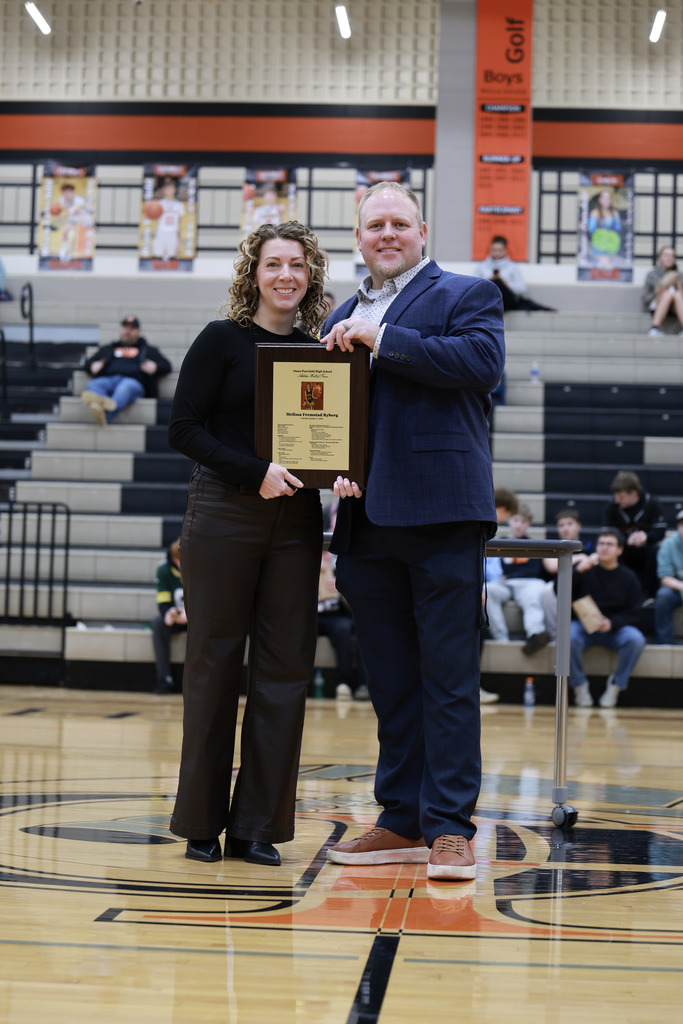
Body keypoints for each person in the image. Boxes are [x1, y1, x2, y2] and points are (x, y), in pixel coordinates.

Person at [321, 180, 505, 881]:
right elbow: (332, 414)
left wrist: (385, 336)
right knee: (391, 680)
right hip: (364, 516)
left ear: (422, 231)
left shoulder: (467, 294)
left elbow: (480, 367)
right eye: (375, 225)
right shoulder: (339, 311)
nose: (387, 234)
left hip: (441, 512)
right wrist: (327, 467)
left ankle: (450, 827)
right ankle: (399, 815)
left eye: (399, 223)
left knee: (448, 680)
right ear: (359, 239)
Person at [167, 220, 328, 866]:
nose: (285, 275)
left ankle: (257, 825)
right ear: (253, 274)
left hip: (295, 524)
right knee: (214, 667)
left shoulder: (323, 354)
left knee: (285, 670)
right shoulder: (220, 341)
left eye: (297, 264)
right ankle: (201, 821)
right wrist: (253, 470)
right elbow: (182, 428)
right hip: (222, 514)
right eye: (273, 264)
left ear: (310, 276)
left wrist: (342, 471)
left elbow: (333, 441)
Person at [569, 528, 646, 708]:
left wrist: (612, 623)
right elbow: (559, 591)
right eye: (601, 544)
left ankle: (616, 686)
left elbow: (635, 612)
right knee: (568, 636)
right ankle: (579, 685)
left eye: (610, 544)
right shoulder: (585, 569)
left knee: (636, 639)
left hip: (614, 629)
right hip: (583, 626)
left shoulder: (629, 578)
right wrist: (577, 571)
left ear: (620, 549)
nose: (604, 548)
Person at [318, 502, 370, 702]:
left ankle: (346, 684)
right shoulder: (309, 552)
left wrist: (339, 590)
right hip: (309, 612)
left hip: (337, 612)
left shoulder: (345, 556)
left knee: (347, 628)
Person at [484, 503, 551, 654]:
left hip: (528, 583)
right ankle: (501, 639)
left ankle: (535, 634)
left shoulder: (534, 544)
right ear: (509, 520)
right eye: (516, 520)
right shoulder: (497, 543)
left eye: (523, 521)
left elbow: (534, 570)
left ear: (529, 524)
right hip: (504, 583)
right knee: (487, 590)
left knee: (534, 593)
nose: (519, 525)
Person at [81, 315, 171, 425]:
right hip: (108, 379)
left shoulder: (148, 350)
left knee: (125, 387)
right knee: (93, 384)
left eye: (132, 328)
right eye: (125, 327)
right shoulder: (109, 348)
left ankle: (105, 414)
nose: (127, 332)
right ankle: (104, 406)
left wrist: (155, 367)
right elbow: (87, 363)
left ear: (138, 332)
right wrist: (92, 366)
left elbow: (167, 365)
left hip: (133, 381)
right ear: (121, 329)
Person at [479, 486, 520, 704]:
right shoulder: (481, 526)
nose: (506, 519)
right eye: (507, 515)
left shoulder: (487, 529)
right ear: (502, 508)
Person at [604, 471, 666, 597]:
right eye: (616, 496)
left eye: (621, 497)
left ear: (634, 494)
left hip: (646, 548)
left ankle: (647, 594)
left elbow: (660, 531)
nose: (617, 500)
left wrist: (646, 537)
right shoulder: (612, 507)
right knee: (612, 549)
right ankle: (617, 592)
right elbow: (607, 533)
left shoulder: (652, 504)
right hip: (623, 547)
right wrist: (626, 539)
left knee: (656, 551)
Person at [541, 507, 593, 639]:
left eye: (569, 524)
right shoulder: (551, 546)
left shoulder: (589, 546)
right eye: (561, 525)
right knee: (547, 591)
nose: (565, 528)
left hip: (582, 588)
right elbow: (552, 567)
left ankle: (595, 631)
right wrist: (579, 558)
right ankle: (555, 636)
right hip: (557, 589)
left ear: (579, 526)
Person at [475, 236, 555, 312]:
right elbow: (473, 288)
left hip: (506, 300)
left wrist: (506, 284)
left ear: (505, 250)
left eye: (499, 250)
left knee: (498, 282)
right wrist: (487, 282)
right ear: (490, 250)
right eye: (494, 250)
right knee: (495, 283)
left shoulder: (512, 267)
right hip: (488, 300)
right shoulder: (482, 267)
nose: (496, 253)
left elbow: (522, 289)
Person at [151, 538, 187, 694]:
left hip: (199, 618)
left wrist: (191, 614)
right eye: (176, 559)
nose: (178, 562)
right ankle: (164, 678)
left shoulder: (202, 569)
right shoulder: (164, 569)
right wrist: (170, 613)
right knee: (158, 623)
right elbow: (163, 601)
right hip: (178, 617)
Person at [653, 509, 683, 644]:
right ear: (678, 526)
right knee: (664, 595)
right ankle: (664, 643)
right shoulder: (668, 545)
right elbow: (665, 578)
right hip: (676, 589)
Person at [642, 246, 683, 336]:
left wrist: (677, 283)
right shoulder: (652, 275)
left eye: (672, 256)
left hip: (675, 307)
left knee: (677, 295)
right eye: (666, 255)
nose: (669, 258)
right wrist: (657, 292)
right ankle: (654, 328)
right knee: (667, 295)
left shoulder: (679, 276)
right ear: (659, 257)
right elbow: (645, 298)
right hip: (658, 304)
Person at [152, 177, 185, 261]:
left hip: (172, 234)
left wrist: (179, 242)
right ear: (163, 190)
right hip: (161, 233)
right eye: (167, 188)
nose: (169, 190)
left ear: (175, 190)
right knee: (157, 258)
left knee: (172, 259)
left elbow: (180, 223)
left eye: (171, 188)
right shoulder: (159, 204)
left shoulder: (179, 205)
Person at [587, 188, 622, 266]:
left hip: (612, 246)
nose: (606, 200)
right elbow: (590, 230)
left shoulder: (615, 213)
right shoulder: (594, 213)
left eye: (608, 198)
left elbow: (618, 230)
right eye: (604, 198)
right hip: (598, 245)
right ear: (600, 200)